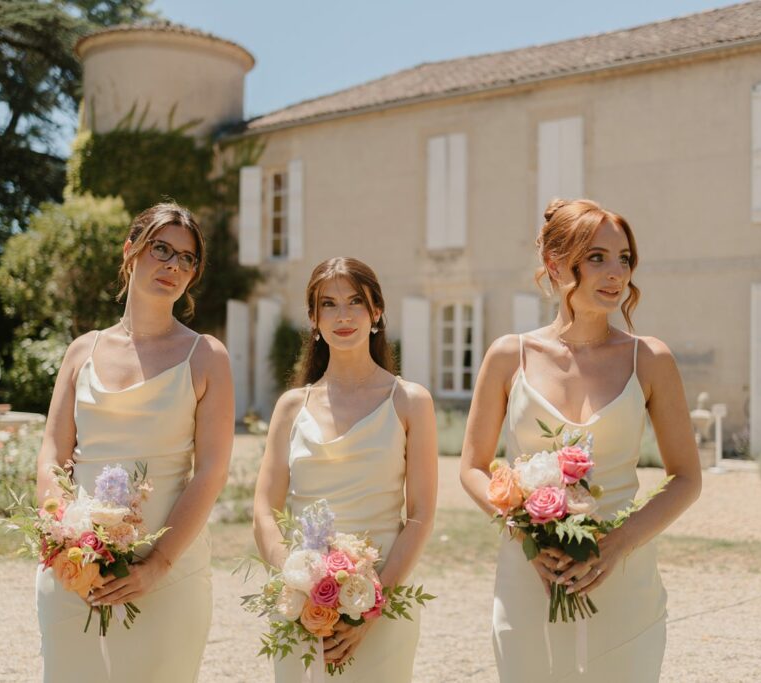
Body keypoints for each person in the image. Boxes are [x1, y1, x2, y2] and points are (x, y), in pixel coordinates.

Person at [460, 198, 701, 681]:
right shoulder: (509, 355)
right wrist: (528, 536)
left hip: (623, 578)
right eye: (597, 258)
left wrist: (617, 545)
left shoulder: (650, 359)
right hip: (530, 574)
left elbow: (686, 478)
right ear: (555, 264)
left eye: (624, 259)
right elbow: (472, 467)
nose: (616, 273)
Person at [35, 203, 234, 681]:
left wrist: (158, 564)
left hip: (168, 573)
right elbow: (53, 456)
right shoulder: (81, 351)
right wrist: (68, 543)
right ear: (131, 251)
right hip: (75, 569)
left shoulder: (206, 356)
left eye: (186, 258)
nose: (172, 265)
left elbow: (211, 471)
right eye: (161, 249)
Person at [252, 257, 438, 682]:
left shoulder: (410, 401)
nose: (343, 315)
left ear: (377, 312)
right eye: (329, 304)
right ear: (314, 319)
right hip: (300, 605)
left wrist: (373, 603)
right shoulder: (291, 407)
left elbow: (421, 514)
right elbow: (264, 510)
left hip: (384, 594)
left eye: (355, 301)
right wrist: (296, 578)